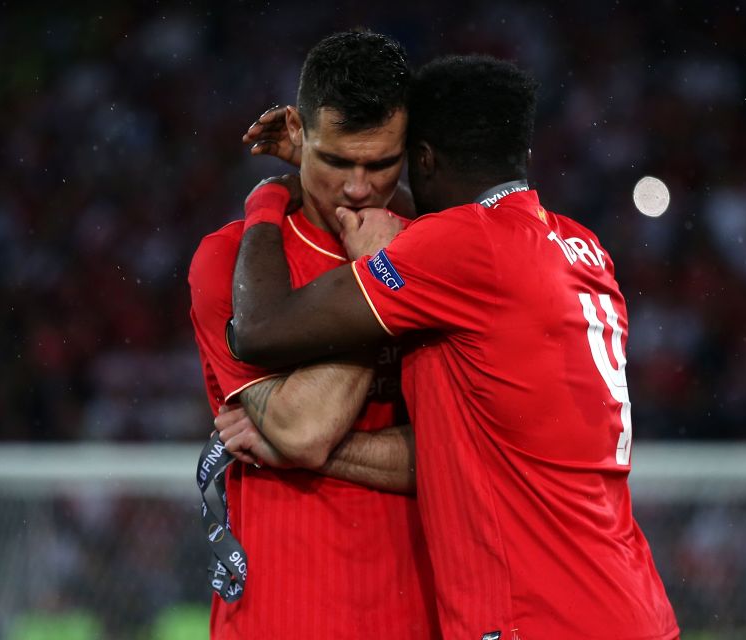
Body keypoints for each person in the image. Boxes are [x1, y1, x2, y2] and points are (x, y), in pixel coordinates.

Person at [224, 55, 680, 639]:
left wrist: (269, 197)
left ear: (424, 160)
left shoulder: (464, 249)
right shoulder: (580, 246)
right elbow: (452, 236)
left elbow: (261, 327)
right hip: (627, 602)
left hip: (537, 620)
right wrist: (326, 170)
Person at [188, 31, 437, 639]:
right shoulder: (229, 263)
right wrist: (379, 281)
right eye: (335, 162)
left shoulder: (435, 259)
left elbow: (456, 455)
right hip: (279, 617)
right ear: (296, 134)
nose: (358, 188)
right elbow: (304, 428)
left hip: (418, 617)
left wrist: (386, 268)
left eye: (381, 164)